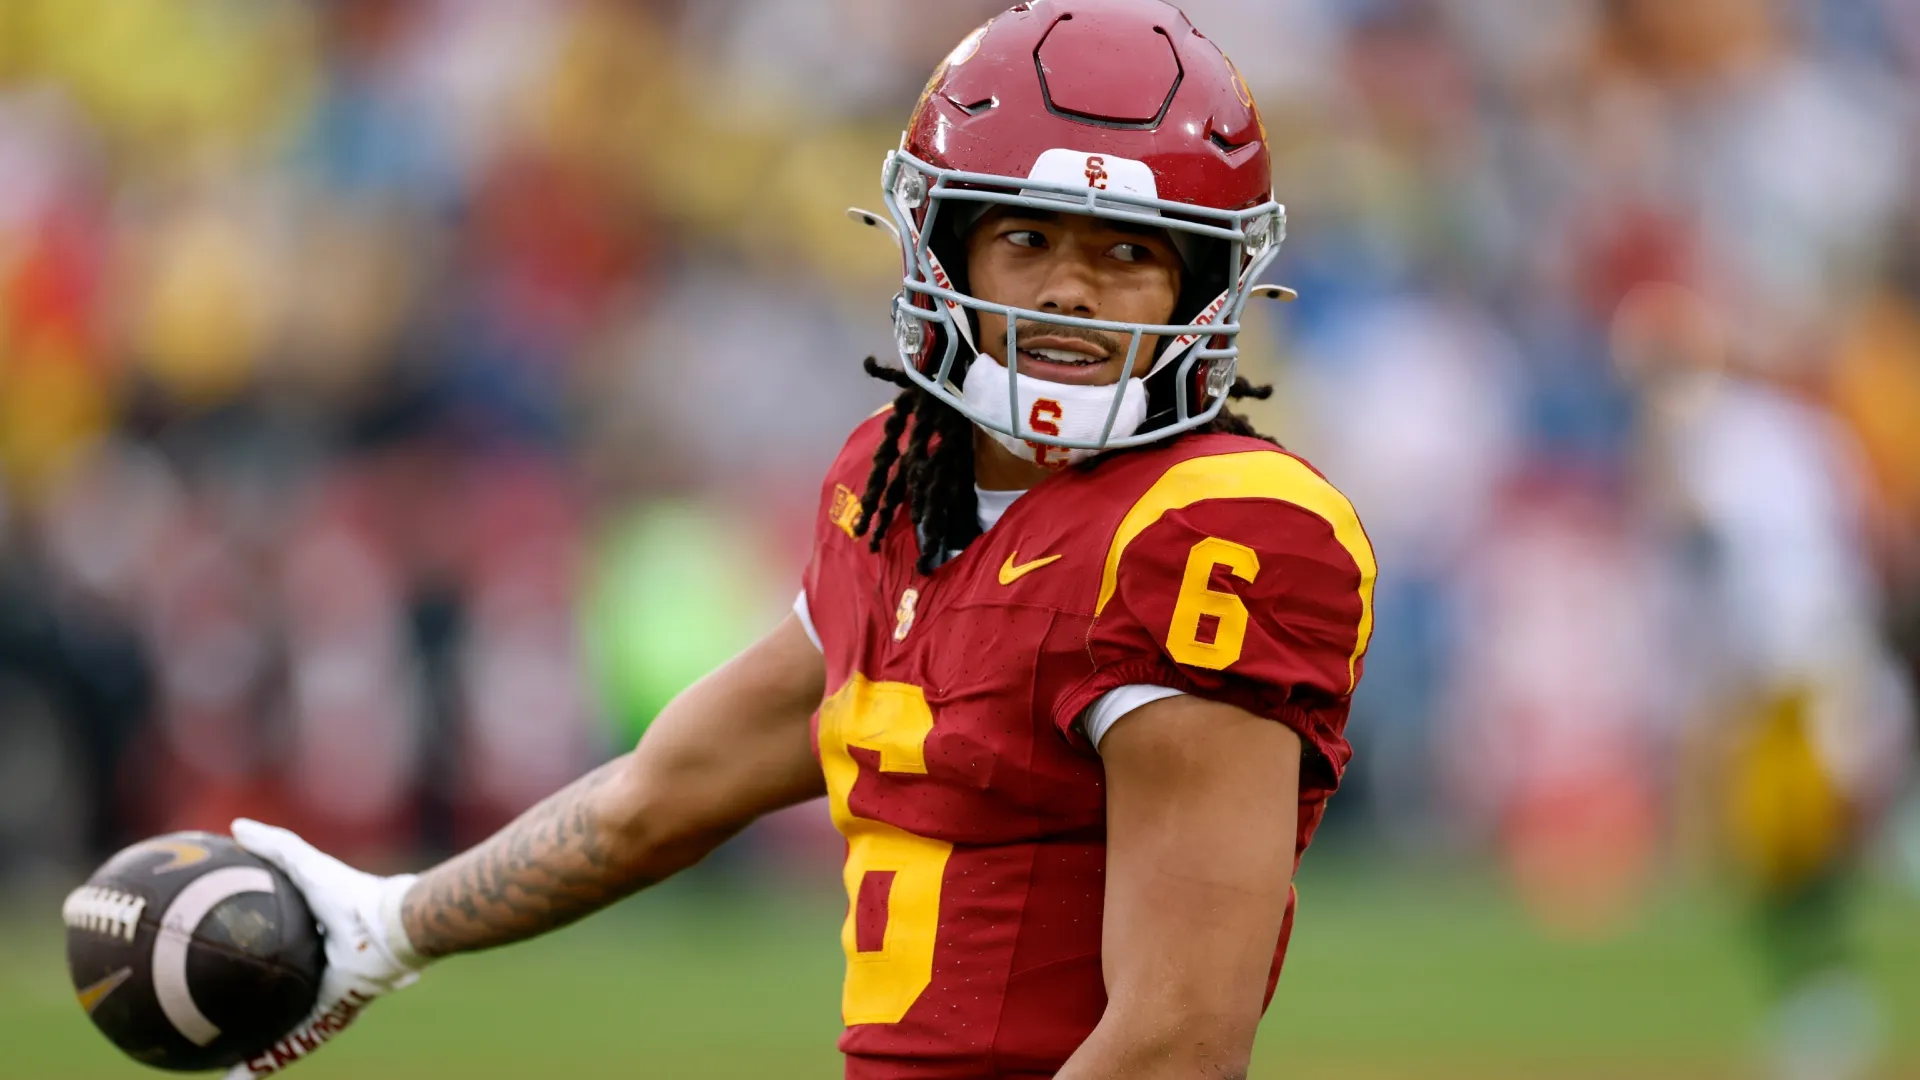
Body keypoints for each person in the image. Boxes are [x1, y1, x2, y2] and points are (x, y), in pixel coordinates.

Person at [227, 3, 1375, 1077]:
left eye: (1128, 252)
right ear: (946, 250)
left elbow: (1177, 1043)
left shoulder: (1213, 534)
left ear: (1205, 287)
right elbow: (660, 794)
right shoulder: (896, 482)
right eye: (1026, 238)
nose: (1070, 291)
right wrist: (380, 927)